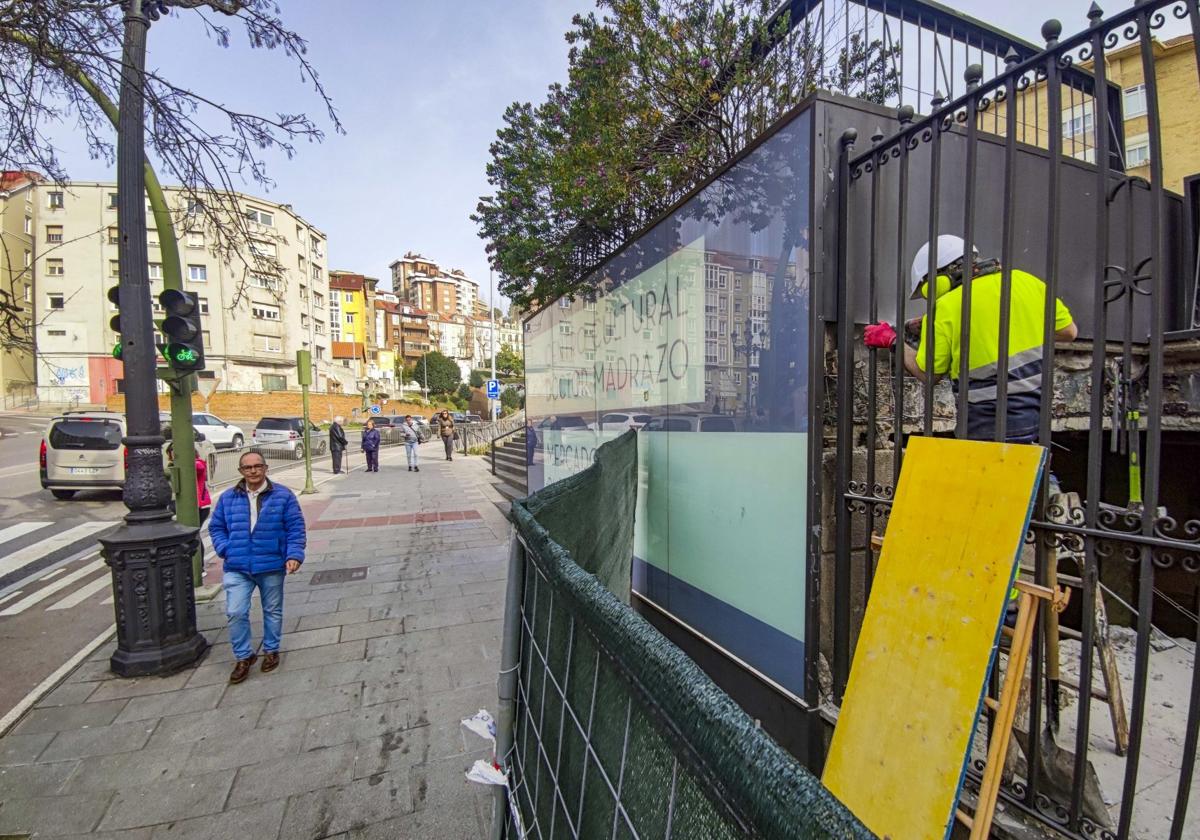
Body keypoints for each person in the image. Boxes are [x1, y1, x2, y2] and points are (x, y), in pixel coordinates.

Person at [864, 235, 1078, 443]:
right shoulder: (1027, 282)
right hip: (1034, 416)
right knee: (1024, 472)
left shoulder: (947, 307)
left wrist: (893, 340)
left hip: (985, 423)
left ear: (939, 281)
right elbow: (1069, 332)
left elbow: (928, 374)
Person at [209, 451, 306, 684]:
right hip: (237, 565)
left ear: (265, 468)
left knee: (272, 610)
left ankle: (271, 650)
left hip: (271, 563)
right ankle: (243, 656)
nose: (253, 471)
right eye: (247, 467)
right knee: (235, 612)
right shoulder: (228, 497)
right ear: (241, 471)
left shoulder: (283, 495)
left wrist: (294, 554)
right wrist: (225, 549)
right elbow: (216, 527)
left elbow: (295, 527)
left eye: (257, 466)